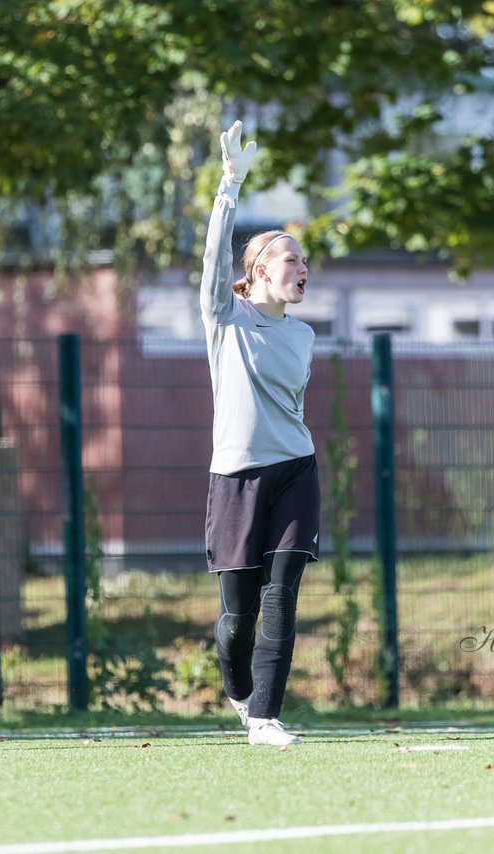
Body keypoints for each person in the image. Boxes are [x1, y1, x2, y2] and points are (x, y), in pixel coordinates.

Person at [200, 120, 320, 747]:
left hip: (296, 470)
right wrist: (230, 186)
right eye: (291, 259)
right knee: (237, 616)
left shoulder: (303, 335)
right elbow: (214, 257)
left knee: (281, 596)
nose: (304, 268)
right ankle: (240, 694)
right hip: (236, 477)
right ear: (258, 271)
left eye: (306, 260)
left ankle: (266, 719)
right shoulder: (224, 316)